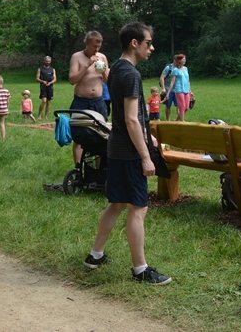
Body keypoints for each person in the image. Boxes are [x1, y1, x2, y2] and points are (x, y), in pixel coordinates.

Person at [84, 21, 171, 285]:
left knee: (117, 203)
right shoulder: (131, 74)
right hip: (130, 152)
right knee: (138, 208)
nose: (152, 48)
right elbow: (131, 119)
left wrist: (148, 135)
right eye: (148, 43)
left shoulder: (117, 68)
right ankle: (140, 269)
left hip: (116, 147)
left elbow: (125, 116)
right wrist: (145, 155)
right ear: (135, 43)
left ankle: (95, 255)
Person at [68, 31, 109, 165]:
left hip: (98, 102)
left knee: (101, 136)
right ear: (86, 44)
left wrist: (104, 71)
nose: (96, 50)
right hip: (81, 101)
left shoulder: (102, 57)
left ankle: (98, 170)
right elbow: (72, 80)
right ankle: (78, 167)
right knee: (79, 136)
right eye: (93, 46)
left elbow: (109, 81)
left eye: (99, 46)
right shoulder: (77, 57)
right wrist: (86, 65)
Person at [166, 54, 193, 121]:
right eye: (184, 59)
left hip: (186, 90)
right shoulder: (175, 70)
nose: (185, 61)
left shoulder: (186, 69)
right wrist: (168, 93)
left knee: (186, 107)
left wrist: (190, 91)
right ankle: (182, 122)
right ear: (180, 60)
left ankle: (177, 121)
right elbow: (172, 82)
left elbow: (188, 81)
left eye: (185, 59)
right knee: (182, 106)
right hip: (179, 90)